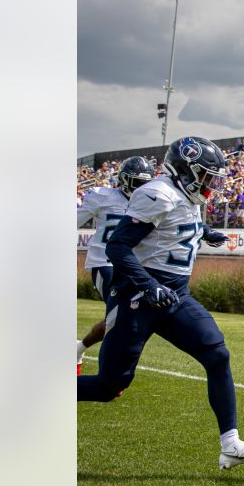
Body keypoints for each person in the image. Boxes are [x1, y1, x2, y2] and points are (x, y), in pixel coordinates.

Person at [78, 136, 244, 470]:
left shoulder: (186, 196)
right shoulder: (157, 193)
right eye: (206, 175)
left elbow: (181, 225)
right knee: (111, 385)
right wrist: (148, 285)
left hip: (176, 294)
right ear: (185, 169)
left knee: (217, 354)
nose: (211, 183)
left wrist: (205, 233)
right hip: (138, 295)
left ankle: (230, 444)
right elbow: (118, 248)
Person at [76, 156, 156, 373]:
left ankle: (79, 350)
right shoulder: (103, 197)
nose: (142, 187)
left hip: (131, 266)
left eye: (146, 183)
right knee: (117, 318)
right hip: (104, 262)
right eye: (138, 182)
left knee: (125, 319)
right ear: (124, 180)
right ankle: (108, 374)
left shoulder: (152, 202)